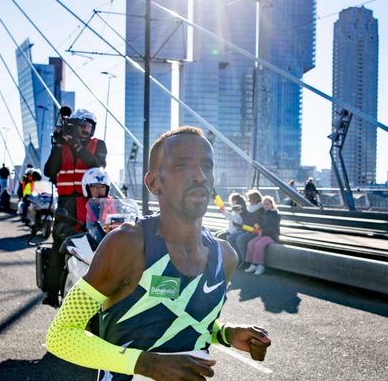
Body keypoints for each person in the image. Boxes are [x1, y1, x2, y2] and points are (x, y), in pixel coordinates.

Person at [45, 126, 271, 381]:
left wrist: (227, 333)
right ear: (153, 182)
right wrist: (146, 364)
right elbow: (61, 335)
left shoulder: (225, 256)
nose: (199, 176)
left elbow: (187, 320)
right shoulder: (127, 245)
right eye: (181, 166)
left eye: (207, 166)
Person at [43, 108, 107, 307]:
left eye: (90, 128)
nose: (86, 131)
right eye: (83, 127)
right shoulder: (63, 146)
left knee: (98, 243)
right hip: (66, 204)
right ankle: (52, 292)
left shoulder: (98, 145)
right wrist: (57, 144)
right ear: (75, 126)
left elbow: (98, 164)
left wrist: (77, 145)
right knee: (59, 246)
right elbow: (49, 170)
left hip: (92, 201)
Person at [244, 196, 281, 276]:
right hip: (264, 235)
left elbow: (275, 229)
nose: (266, 206)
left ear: (272, 204)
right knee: (250, 244)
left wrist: (263, 231)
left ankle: (260, 266)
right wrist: (258, 227)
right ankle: (253, 265)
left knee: (259, 245)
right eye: (264, 204)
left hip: (272, 236)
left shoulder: (274, 214)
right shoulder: (265, 213)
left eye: (268, 204)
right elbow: (264, 225)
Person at [227, 189, 264, 267]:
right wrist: (242, 212)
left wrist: (242, 213)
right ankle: (238, 258)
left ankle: (245, 261)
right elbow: (246, 220)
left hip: (255, 231)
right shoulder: (250, 207)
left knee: (240, 239)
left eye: (249, 198)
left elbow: (253, 223)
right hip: (247, 229)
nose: (248, 200)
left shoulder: (260, 209)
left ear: (254, 199)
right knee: (231, 238)